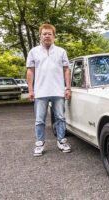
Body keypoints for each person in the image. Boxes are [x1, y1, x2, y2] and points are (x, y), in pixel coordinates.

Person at [26, 23, 71, 156]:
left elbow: (66, 70)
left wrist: (68, 88)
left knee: (60, 118)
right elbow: (30, 71)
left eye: (49, 34)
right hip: (40, 92)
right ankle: (39, 144)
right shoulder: (33, 52)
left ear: (54, 36)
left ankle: (62, 141)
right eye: (44, 34)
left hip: (58, 91)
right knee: (39, 120)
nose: (47, 36)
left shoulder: (61, 51)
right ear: (40, 36)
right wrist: (30, 90)